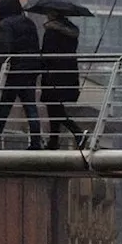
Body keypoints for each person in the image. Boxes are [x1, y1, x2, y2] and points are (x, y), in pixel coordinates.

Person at [0, 0, 42, 150]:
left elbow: (4, 50)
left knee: (3, 107)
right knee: (31, 107)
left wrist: (0, 74)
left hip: (13, 73)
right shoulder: (29, 23)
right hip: (29, 72)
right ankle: (36, 142)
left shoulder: (5, 25)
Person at [40, 10, 84, 150]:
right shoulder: (70, 32)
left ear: (52, 14)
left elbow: (48, 54)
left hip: (53, 74)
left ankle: (77, 132)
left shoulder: (51, 32)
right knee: (55, 107)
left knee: (54, 107)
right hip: (67, 74)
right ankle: (54, 141)